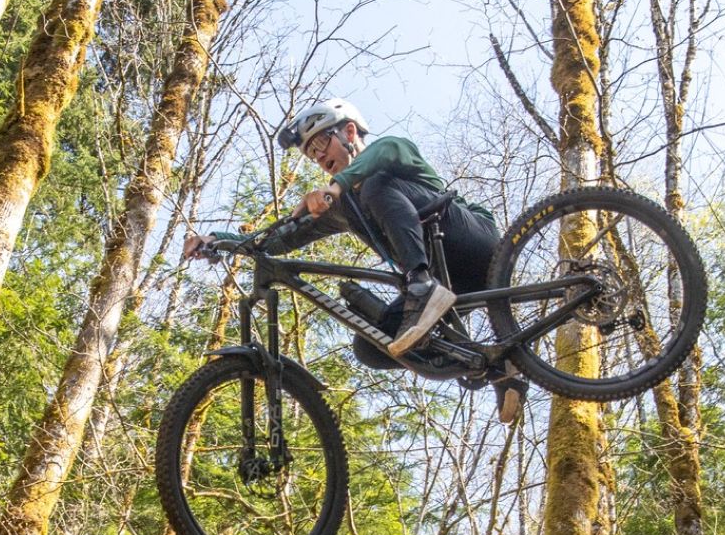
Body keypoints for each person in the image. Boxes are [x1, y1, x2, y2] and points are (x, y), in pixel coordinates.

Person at [184, 97, 526, 423]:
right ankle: (496, 366)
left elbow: (386, 152)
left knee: (374, 184)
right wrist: (219, 241)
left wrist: (334, 188)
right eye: (311, 154)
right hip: (450, 285)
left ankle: (419, 286)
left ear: (348, 133)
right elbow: (276, 239)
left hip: (474, 241)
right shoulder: (344, 205)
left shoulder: (390, 154)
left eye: (321, 145)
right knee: (372, 347)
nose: (319, 158)